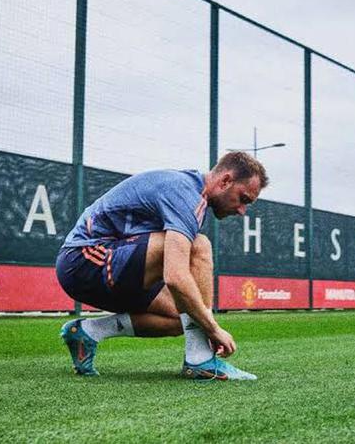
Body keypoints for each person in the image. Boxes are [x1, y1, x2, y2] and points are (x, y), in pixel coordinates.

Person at [55, 151, 268, 380]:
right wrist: (213, 329)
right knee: (199, 246)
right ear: (225, 181)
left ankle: (88, 332)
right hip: (82, 260)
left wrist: (202, 320)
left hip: (106, 266)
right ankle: (201, 361)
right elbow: (175, 277)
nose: (242, 210)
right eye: (243, 199)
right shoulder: (185, 193)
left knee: (183, 316)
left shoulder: (193, 195)